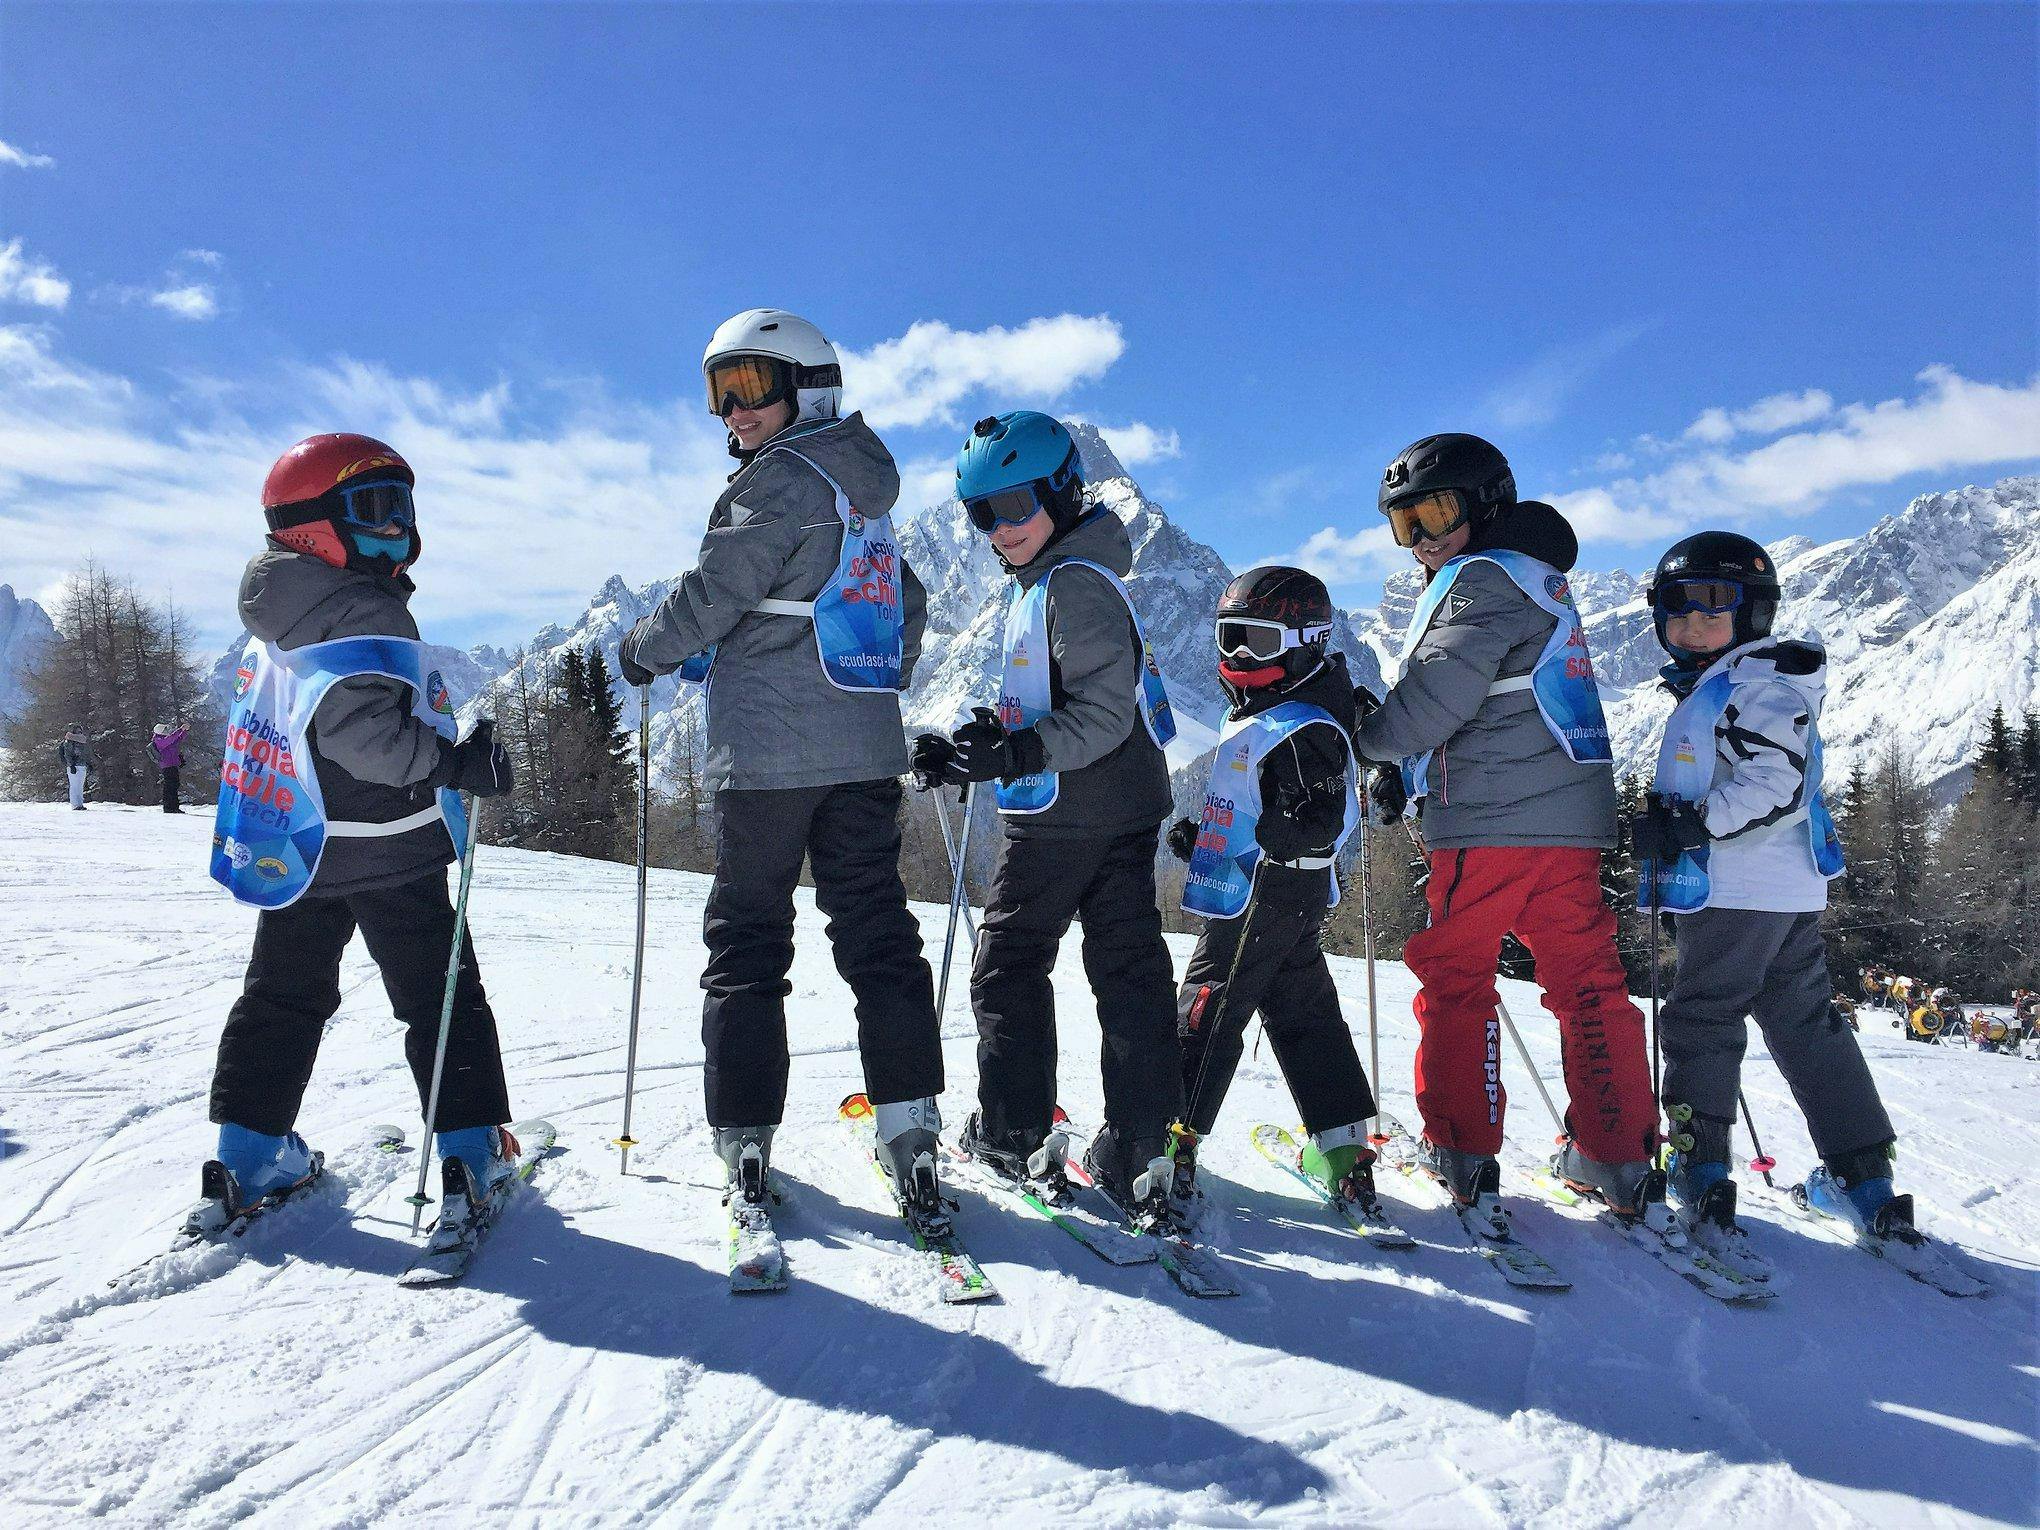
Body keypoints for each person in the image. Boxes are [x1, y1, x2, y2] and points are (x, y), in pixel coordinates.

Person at [618, 309, 947, 1228]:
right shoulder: (863, 488)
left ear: (809, 386)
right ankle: (912, 1126)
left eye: (751, 386)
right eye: (718, 393)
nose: (733, 411)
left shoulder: (779, 483)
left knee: (751, 940)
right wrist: (868, 680)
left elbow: (712, 592)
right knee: (878, 935)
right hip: (863, 752)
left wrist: (647, 650)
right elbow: (904, 605)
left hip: (765, 756)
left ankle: (748, 1136)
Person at [198, 432, 518, 1244]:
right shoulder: (359, 608)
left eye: (403, 510)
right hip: (389, 844)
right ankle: (469, 1152)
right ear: (310, 525)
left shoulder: (281, 607)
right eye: (374, 513)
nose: (399, 533)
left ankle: (250, 1151)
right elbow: (364, 738)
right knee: (440, 998)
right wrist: (451, 762)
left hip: (301, 842)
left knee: (282, 993)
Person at [1351, 433, 1661, 1227]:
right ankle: (1619, 1154)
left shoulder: (1479, 580)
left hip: (1489, 825)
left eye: (1436, 513)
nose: (1421, 540)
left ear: (1487, 503)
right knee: (1587, 982)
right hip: (1570, 823)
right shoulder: (1539, 577)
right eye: (1403, 524)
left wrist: (1370, 737)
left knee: (1457, 975)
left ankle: (1461, 1147)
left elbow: (1439, 700)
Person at [915, 410, 1182, 1220]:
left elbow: (1099, 715)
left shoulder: (1071, 584)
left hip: (1068, 813)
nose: (1000, 528)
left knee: (1010, 964)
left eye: (1017, 504)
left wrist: (1017, 755)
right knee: (1127, 971)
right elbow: (1051, 701)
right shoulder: (1060, 576)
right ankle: (1142, 1146)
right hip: (1120, 806)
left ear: (1063, 492)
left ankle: (1012, 1128)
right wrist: (981, 745)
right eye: (980, 513)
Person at [1635, 529, 1917, 1267]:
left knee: (1703, 1017)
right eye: (1677, 608)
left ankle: (1699, 1170)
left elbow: (1775, 784)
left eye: (1713, 606)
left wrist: (1693, 823)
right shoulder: (1740, 679)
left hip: (1739, 889)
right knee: (1804, 1023)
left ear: (1754, 613)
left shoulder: (1752, 685)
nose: (1693, 623)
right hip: (1786, 890)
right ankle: (1865, 1179)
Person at [1166, 566, 1384, 1217]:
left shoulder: (1302, 722)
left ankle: (1167, 1144)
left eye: (1255, 642)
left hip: (1264, 894)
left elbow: (1322, 807)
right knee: (1303, 1010)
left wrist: (1294, 831)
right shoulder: (1280, 709)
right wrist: (1205, 841)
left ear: (1305, 642)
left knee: (1210, 1005)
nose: (1236, 657)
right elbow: (1258, 802)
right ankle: (1344, 1149)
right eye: (1228, 639)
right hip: (1281, 893)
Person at [151, 720, 189, 813]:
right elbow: (171, 739)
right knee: (170, 786)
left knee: (174, 785)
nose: (167, 731)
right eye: (165, 729)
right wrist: (180, 729)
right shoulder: (158, 740)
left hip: (172, 764)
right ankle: (169, 807)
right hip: (167, 766)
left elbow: (177, 739)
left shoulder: (164, 740)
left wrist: (184, 731)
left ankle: (174, 806)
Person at [59, 726, 90, 810]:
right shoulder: (69, 741)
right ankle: (75, 805)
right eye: (77, 731)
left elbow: (85, 754)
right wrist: (71, 765)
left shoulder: (82, 742)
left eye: (80, 731)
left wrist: (88, 763)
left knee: (80, 786)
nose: (79, 732)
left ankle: (80, 804)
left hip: (82, 766)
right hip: (74, 766)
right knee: (74, 786)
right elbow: (67, 754)